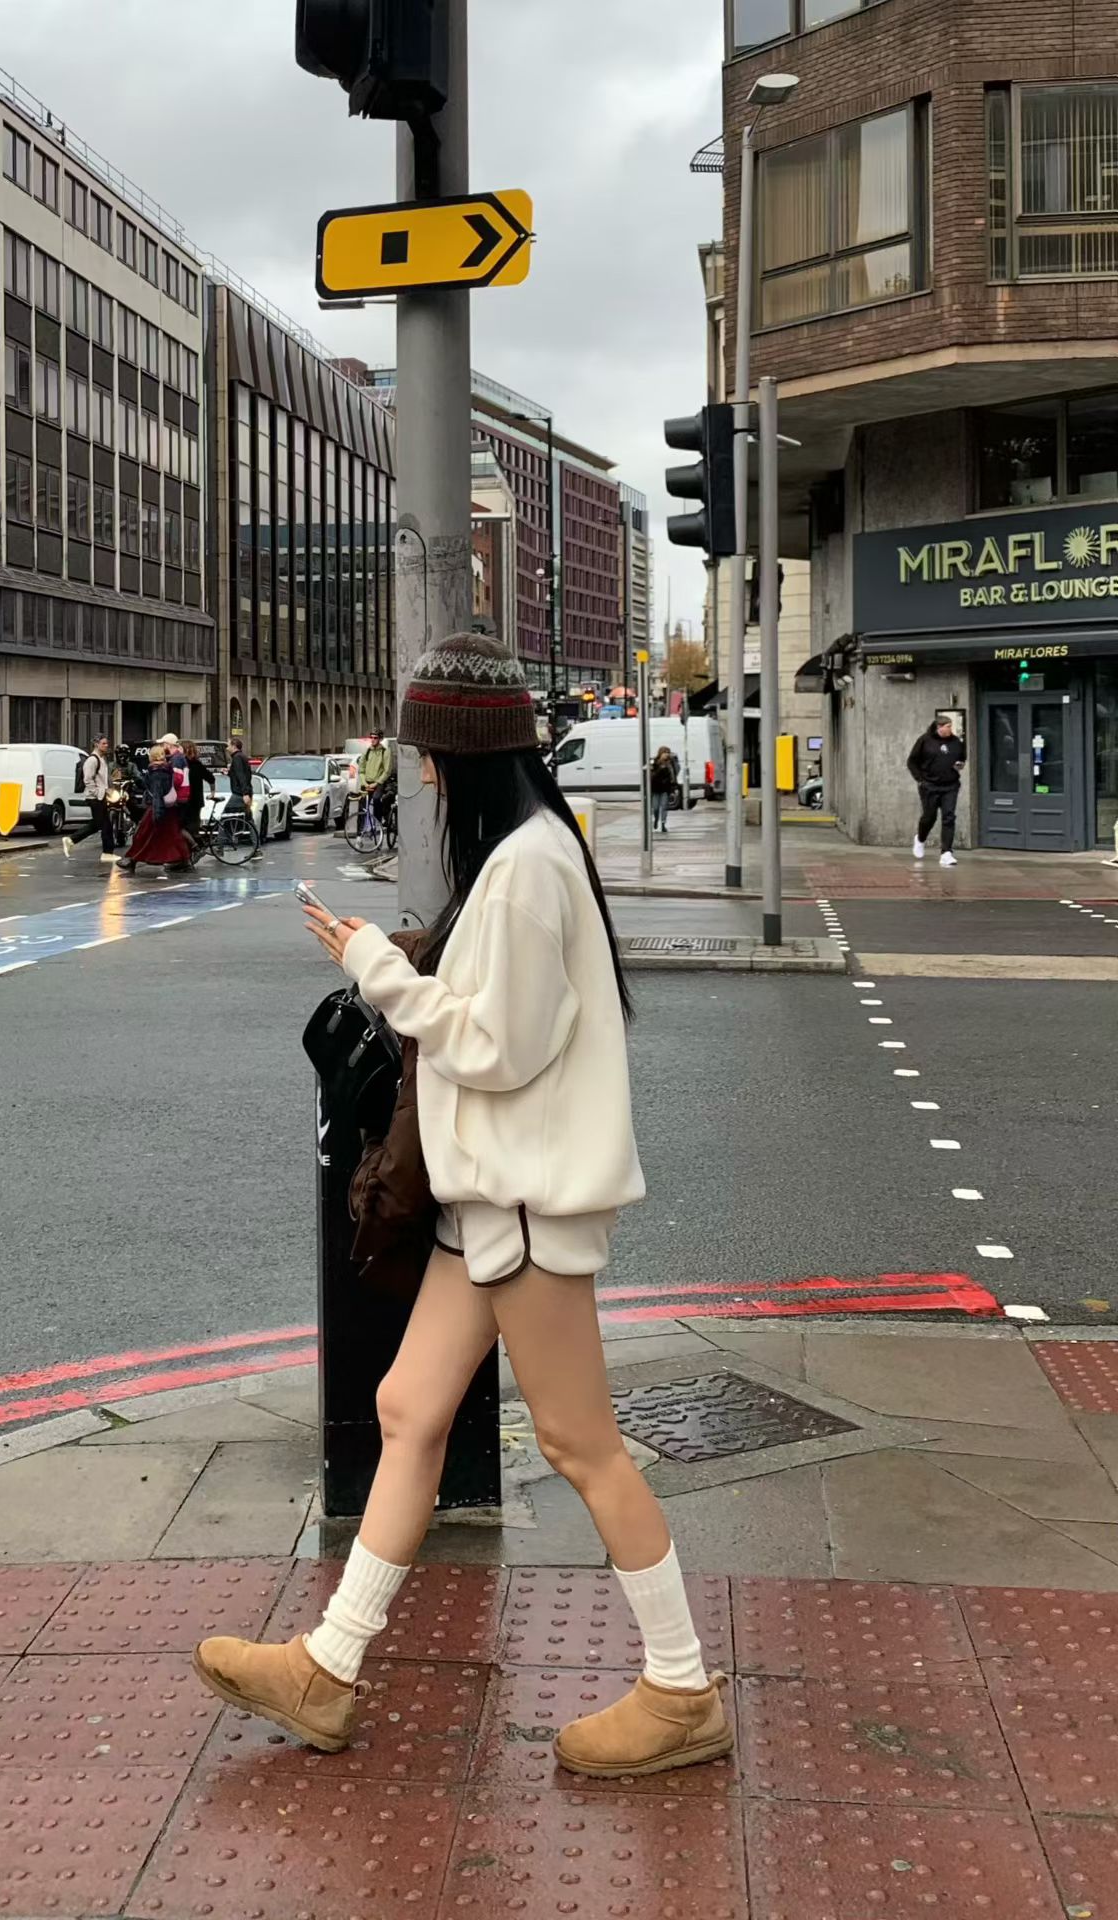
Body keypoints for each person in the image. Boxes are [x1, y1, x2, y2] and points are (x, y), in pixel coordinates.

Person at [194, 631, 731, 1779]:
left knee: (583, 1444)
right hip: (490, 1202)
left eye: (432, 757)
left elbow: (497, 1047)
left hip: (524, 1204)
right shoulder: (527, 856)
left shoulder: (530, 866)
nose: (425, 778)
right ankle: (329, 1667)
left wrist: (379, 970)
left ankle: (683, 1688)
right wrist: (400, 958)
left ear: (468, 757)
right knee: (407, 1407)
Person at [117, 743, 187, 873]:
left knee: (143, 834)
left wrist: (157, 813)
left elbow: (157, 793)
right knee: (172, 835)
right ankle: (182, 859)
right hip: (169, 807)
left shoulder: (156, 772)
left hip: (157, 808)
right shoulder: (166, 769)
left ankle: (132, 859)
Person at [908, 716, 966, 867]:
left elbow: (962, 758)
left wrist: (960, 765)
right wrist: (920, 779)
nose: (950, 729)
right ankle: (920, 839)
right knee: (929, 817)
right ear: (939, 727)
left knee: (949, 817)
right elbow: (912, 761)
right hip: (929, 785)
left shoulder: (956, 742)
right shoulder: (925, 740)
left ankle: (946, 853)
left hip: (950, 786)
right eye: (947, 726)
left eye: (951, 726)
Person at [61, 736, 115, 859]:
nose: (106, 745)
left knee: (101, 824)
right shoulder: (92, 760)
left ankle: (72, 840)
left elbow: (103, 779)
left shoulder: (102, 759)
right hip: (94, 798)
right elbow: (88, 780)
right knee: (103, 825)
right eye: (103, 743)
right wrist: (97, 792)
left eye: (107, 743)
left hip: (100, 796)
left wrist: (108, 789)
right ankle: (106, 853)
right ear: (96, 744)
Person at [226, 737, 262, 853]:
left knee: (225, 817)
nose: (227, 748)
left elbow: (242, 776)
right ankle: (257, 849)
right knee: (249, 820)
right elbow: (241, 775)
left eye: (228, 745)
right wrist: (229, 773)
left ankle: (219, 846)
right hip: (244, 792)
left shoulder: (237, 758)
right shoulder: (242, 757)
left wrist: (245, 793)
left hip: (239, 794)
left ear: (234, 746)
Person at [183, 739, 215, 856]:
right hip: (197, 801)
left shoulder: (183, 765)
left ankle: (196, 848)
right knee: (193, 827)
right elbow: (211, 778)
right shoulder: (198, 764)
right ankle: (194, 850)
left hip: (187, 801)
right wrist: (212, 792)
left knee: (184, 827)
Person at [357, 729, 394, 832]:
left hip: (378, 782)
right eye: (371, 737)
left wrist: (376, 783)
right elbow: (361, 769)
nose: (373, 740)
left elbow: (387, 771)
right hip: (366, 782)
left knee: (377, 799)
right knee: (362, 805)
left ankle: (378, 823)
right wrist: (364, 783)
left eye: (375, 738)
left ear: (380, 739)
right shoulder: (367, 751)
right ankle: (359, 832)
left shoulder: (385, 752)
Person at [650, 745, 679, 834]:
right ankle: (656, 819)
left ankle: (663, 824)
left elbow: (675, 773)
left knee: (664, 807)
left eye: (668, 752)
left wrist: (675, 760)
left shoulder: (670, 763)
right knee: (655, 807)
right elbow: (651, 775)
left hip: (665, 789)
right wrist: (660, 768)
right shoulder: (654, 762)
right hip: (655, 788)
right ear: (660, 753)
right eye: (665, 752)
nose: (666, 754)